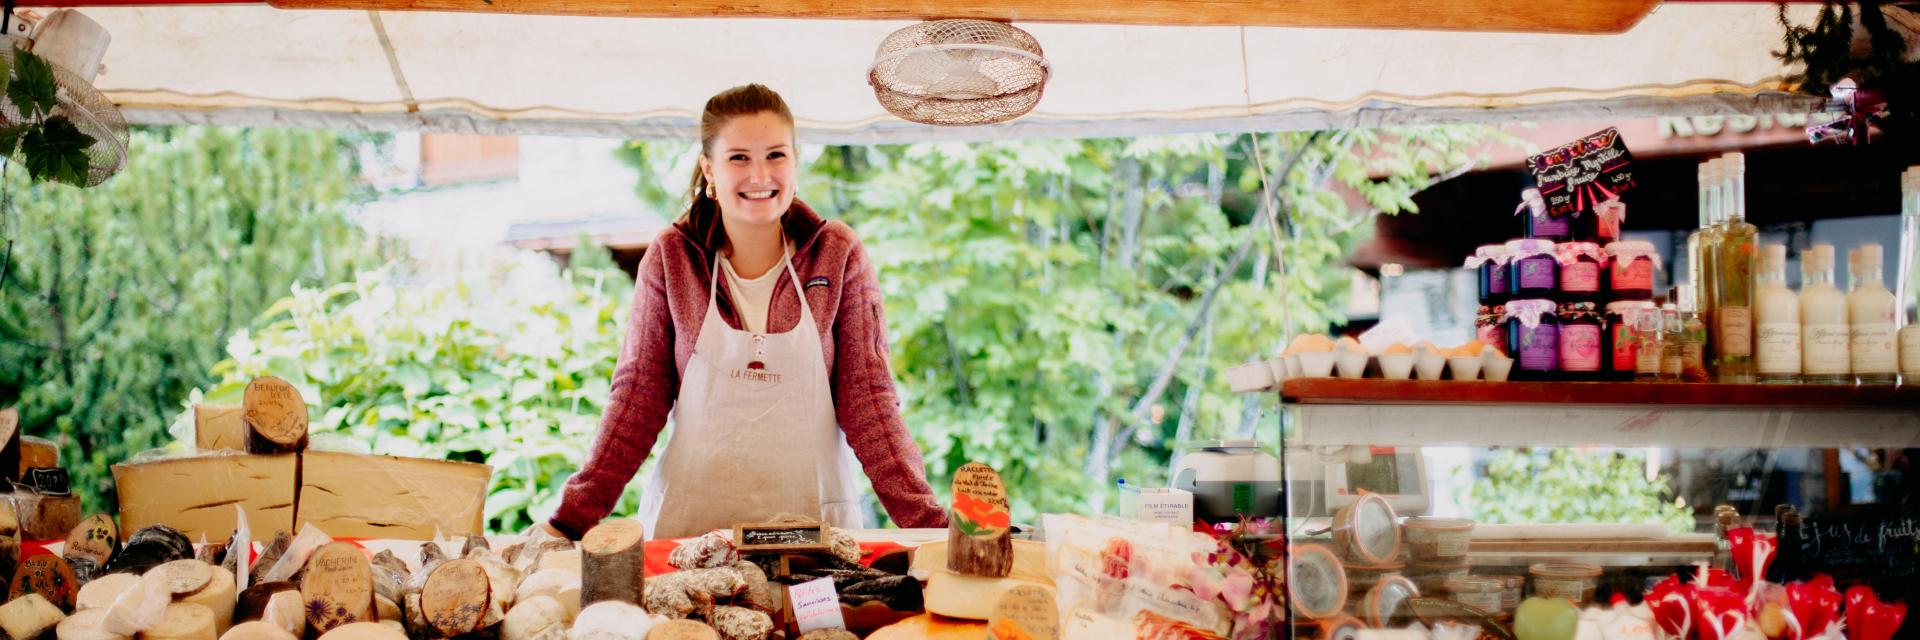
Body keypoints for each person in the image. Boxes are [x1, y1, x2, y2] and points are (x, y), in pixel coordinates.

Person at [539, 84, 948, 540]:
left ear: (795, 162)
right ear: (709, 169)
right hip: (689, 529)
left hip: (813, 533)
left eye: (775, 155)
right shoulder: (673, 257)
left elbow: (868, 401)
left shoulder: (837, 253)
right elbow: (637, 398)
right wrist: (569, 522)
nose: (760, 174)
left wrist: (931, 526)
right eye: (738, 158)